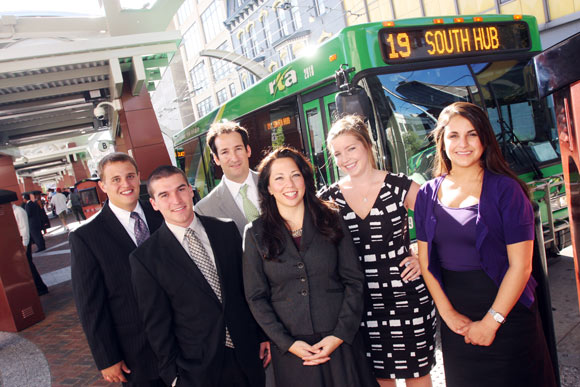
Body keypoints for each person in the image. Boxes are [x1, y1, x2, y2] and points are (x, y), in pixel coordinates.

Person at [414, 102, 556, 387]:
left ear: (485, 139)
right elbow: (427, 263)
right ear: (441, 141)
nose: (463, 144)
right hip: (458, 321)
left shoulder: (507, 190)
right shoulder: (427, 194)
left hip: (508, 316)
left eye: (472, 134)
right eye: (453, 135)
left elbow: (521, 266)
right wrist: (448, 314)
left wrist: (492, 322)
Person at [243, 147, 378, 387]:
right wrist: (287, 343)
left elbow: (354, 280)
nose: (290, 184)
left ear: (305, 178)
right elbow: (256, 297)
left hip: (339, 343)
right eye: (279, 178)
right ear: (268, 188)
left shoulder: (331, 218)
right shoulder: (255, 233)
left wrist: (339, 335)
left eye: (295, 175)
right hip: (292, 351)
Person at [320, 115, 436, 387]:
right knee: (380, 380)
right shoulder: (329, 198)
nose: (345, 158)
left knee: (417, 376)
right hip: (361, 305)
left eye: (351, 148)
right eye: (337, 153)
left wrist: (421, 255)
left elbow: (440, 218)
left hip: (407, 298)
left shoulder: (399, 186)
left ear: (367, 145)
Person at [130, 165, 269, 387]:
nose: (176, 199)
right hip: (197, 370)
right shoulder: (145, 259)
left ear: (191, 190)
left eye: (181, 189)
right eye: (164, 195)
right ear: (154, 204)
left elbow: (247, 289)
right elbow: (157, 325)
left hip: (248, 355)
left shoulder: (226, 230)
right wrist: (174, 377)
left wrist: (261, 335)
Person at [70, 152, 165, 386]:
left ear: (139, 177)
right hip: (137, 354)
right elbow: (90, 305)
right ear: (102, 186)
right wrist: (106, 357)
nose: (126, 184)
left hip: (185, 341)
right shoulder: (87, 237)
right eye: (116, 179)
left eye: (130, 176)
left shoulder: (163, 213)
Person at [195, 122, 260, 235]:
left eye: (238, 149)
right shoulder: (204, 210)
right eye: (225, 152)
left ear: (248, 150)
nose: (234, 158)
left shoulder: (273, 182)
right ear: (216, 159)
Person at [12, 203, 49, 296]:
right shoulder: (13, 212)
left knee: (29, 266)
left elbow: (24, 229)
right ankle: (38, 287)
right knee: (27, 267)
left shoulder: (19, 211)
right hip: (20, 244)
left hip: (24, 243)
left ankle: (41, 287)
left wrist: (25, 245)